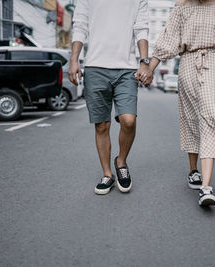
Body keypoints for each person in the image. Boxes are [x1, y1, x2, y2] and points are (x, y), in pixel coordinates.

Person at [139, 0, 215, 206]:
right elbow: (168, 40)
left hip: (214, 62)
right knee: (192, 118)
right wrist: (149, 68)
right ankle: (193, 171)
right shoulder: (182, 6)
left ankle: (206, 187)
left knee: (211, 116)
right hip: (187, 63)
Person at [69, 0, 150, 195]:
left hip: (127, 68)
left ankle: (121, 161)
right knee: (101, 125)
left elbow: (141, 29)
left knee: (128, 120)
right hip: (95, 66)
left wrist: (144, 62)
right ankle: (107, 174)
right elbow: (80, 25)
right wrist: (74, 60)